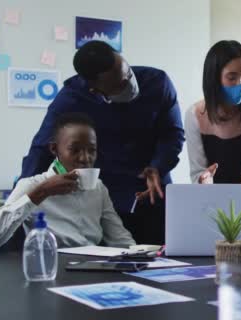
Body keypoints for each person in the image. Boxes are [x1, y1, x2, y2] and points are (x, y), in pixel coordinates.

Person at [20, 41, 185, 245]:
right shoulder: (71, 99)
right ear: (95, 90)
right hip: (105, 198)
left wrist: (158, 165)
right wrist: (24, 197)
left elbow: (173, 134)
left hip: (152, 190)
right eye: (121, 84)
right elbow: (41, 149)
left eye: (129, 74)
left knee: (159, 258)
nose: (130, 84)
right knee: (107, 264)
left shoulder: (157, 82)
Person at [0, 113, 135, 252]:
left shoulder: (98, 188)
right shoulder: (33, 185)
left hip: (90, 270)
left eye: (91, 150)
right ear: (54, 149)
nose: (85, 158)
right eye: (75, 150)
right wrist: (42, 192)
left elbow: (119, 238)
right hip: (51, 268)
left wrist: (143, 257)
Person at [185, 40, 241, 184]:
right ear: (214, 78)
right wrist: (203, 180)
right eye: (232, 77)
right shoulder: (195, 114)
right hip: (209, 199)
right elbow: (197, 171)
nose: (240, 83)